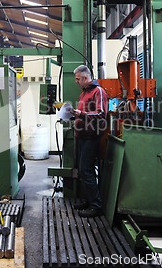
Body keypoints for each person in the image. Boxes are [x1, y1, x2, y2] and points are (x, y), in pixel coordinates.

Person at [70, 65, 108, 218]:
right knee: (83, 170)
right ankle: (88, 199)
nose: (76, 82)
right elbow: (84, 114)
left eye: (78, 79)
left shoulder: (98, 91)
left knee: (86, 170)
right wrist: (73, 115)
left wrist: (82, 113)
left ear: (86, 78)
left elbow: (101, 114)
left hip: (91, 136)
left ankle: (96, 206)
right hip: (81, 136)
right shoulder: (84, 93)